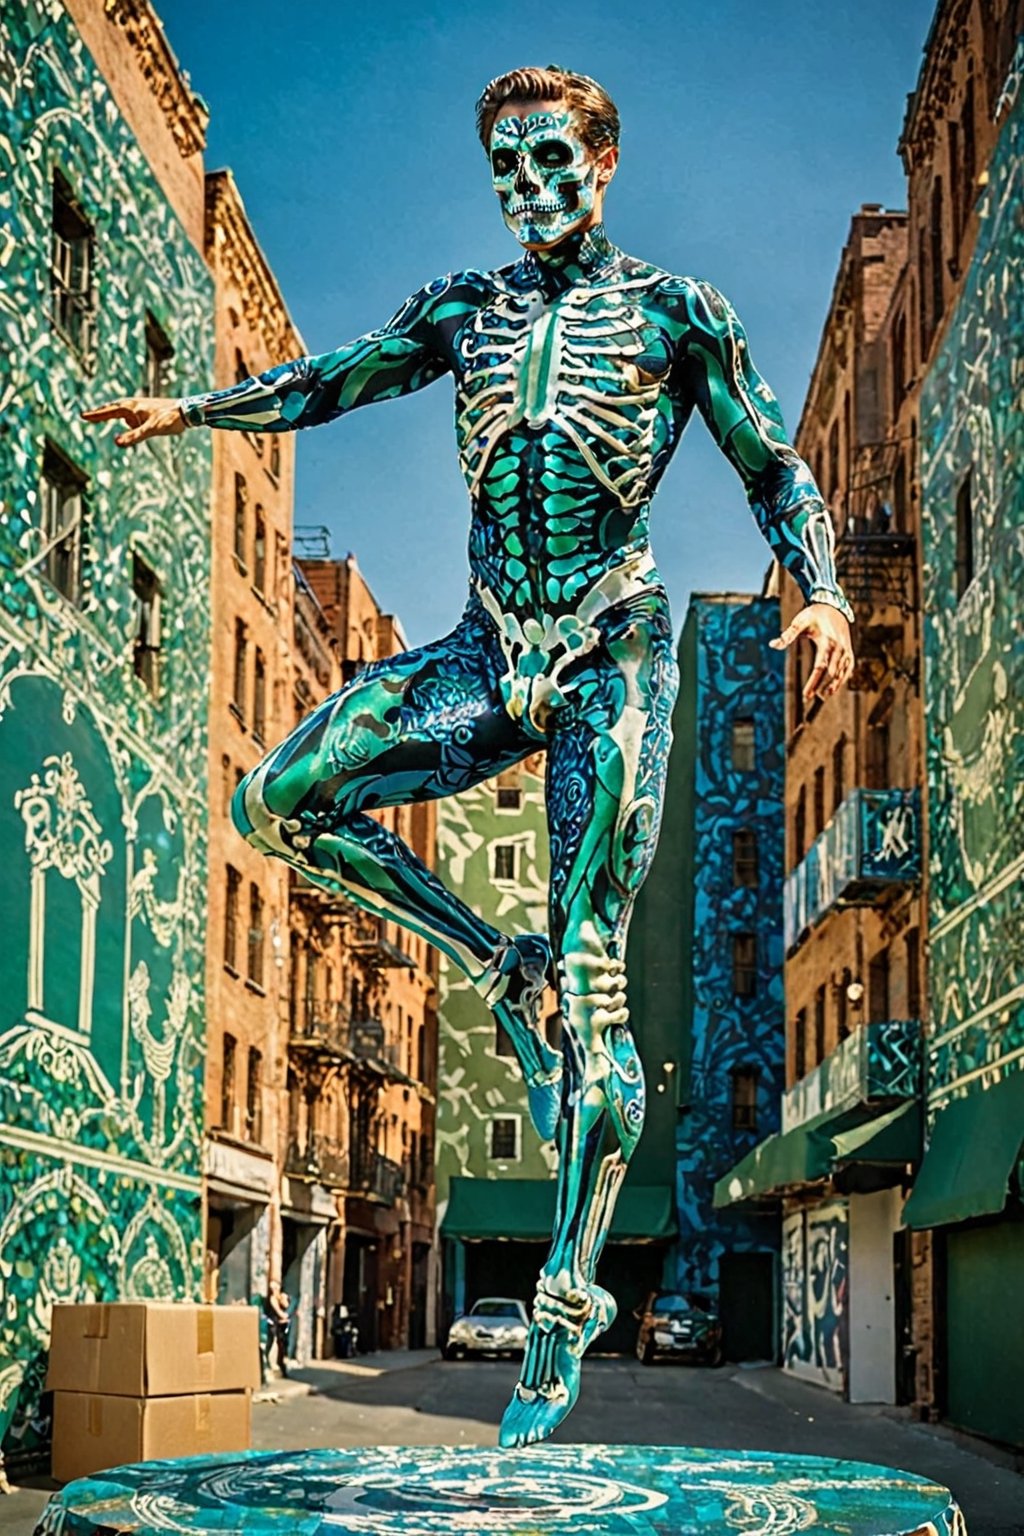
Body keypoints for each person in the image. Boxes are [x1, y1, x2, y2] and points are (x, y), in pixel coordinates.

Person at [81, 65, 854, 1447]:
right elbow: (333, 381)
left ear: (603, 163)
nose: (529, 186)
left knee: (600, 996)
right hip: (488, 653)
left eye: (552, 159)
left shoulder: (678, 314)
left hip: (609, 657)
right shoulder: (466, 309)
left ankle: (566, 1285)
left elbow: (773, 466)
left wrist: (824, 590)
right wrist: (193, 413)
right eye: (507, 164)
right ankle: (496, 957)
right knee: (281, 800)